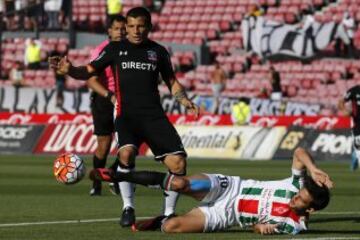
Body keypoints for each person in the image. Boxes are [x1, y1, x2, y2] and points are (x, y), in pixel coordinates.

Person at [49, 7, 199, 227]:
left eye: (140, 26)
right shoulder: (115, 48)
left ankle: (168, 213)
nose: (135, 30)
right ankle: (128, 207)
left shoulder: (158, 51)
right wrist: (70, 70)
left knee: (178, 163)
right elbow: (89, 71)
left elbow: (171, 80)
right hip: (126, 114)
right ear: (126, 27)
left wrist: (184, 100)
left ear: (149, 27)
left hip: (154, 116)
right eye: (131, 26)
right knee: (126, 154)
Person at [90, 147, 333, 234]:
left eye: (301, 200)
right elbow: (299, 152)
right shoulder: (294, 186)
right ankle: (119, 175)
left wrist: (262, 229)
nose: (295, 198)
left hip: (227, 215)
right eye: (299, 193)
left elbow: (258, 228)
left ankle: (162, 219)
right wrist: (313, 169)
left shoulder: (295, 225)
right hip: (231, 187)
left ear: (310, 209)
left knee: (172, 228)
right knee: (180, 184)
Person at [87, 15, 127, 197]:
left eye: (123, 28)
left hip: (126, 99)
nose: (121, 32)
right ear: (109, 31)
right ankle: (97, 184)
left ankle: (110, 174)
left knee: (131, 143)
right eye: (117, 28)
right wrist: (109, 95)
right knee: (104, 145)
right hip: (104, 99)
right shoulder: (101, 51)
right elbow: (91, 79)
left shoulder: (131, 50)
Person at [338, 85, 360, 171]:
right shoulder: (355, 90)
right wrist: (345, 111)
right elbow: (341, 101)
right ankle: (356, 156)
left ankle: (355, 156)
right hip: (358, 126)